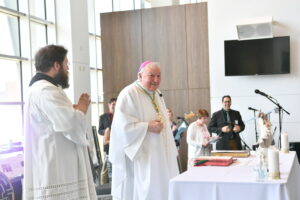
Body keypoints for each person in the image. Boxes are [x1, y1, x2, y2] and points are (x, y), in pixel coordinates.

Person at [23, 45, 97, 199]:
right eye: (66, 64)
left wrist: (73, 110)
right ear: (56, 65)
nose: (68, 69)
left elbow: (58, 119)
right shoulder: (46, 91)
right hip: (57, 167)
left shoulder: (41, 88)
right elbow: (70, 124)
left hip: (53, 160)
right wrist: (81, 108)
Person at [109, 61, 179, 200]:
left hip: (159, 153)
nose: (156, 80)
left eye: (159, 76)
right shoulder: (129, 93)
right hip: (142, 155)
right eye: (151, 75)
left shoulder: (156, 93)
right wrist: (147, 126)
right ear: (140, 76)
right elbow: (122, 128)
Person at [99, 98, 116, 184]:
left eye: (116, 104)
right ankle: (104, 184)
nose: (114, 106)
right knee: (106, 167)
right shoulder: (103, 117)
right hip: (108, 146)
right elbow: (99, 130)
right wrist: (107, 132)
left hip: (117, 146)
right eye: (113, 104)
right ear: (109, 105)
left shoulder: (119, 116)